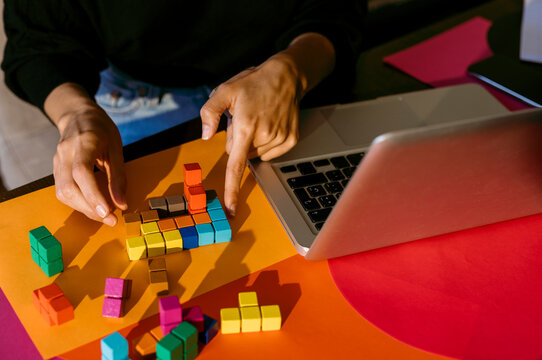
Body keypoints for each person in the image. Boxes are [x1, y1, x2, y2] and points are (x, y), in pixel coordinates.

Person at [2, 0, 362, 226]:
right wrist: (75, 114)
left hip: (280, 68)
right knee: (123, 207)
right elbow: (37, 42)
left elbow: (338, 10)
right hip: (135, 87)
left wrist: (295, 68)